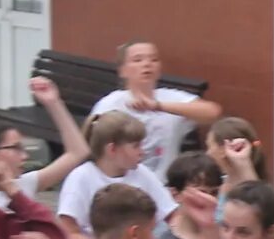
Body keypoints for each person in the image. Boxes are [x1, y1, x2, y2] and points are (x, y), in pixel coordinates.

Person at [87, 39, 223, 185]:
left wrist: (158, 106)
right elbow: (95, 146)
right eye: (137, 60)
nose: (147, 64)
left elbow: (213, 112)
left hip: (163, 185)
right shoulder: (110, 103)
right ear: (123, 70)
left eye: (154, 59)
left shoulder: (171, 98)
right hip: (119, 185)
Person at [53, 110, 179, 234]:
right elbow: (69, 233)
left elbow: (171, 213)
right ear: (112, 149)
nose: (142, 152)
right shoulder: (81, 177)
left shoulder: (141, 172)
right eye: (135, 146)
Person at [153, 150, 223, 239]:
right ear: (176, 194)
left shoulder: (225, 235)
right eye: (201, 193)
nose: (209, 200)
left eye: (214, 193)